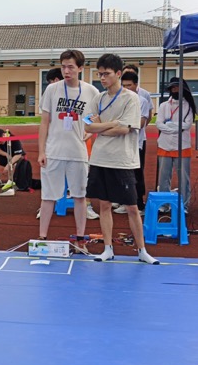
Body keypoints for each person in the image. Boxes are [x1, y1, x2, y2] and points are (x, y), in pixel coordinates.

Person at [84, 53, 159, 265]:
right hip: (100, 159)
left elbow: (124, 129)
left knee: (132, 207)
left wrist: (101, 126)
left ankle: (142, 250)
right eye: (100, 74)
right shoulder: (98, 98)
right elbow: (88, 126)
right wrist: (111, 124)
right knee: (104, 205)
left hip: (123, 160)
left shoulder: (131, 98)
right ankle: (108, 248)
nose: (102, 78)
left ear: (118, 73)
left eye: (106, 74)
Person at [37, 49, 100, 246]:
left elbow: (96, 117)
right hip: (54, 151)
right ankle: (42, 237)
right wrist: (41, 151)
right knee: (48, 196)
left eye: (71, 67)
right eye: (63, 67)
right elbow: (45, 122)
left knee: (80, 196)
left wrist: (88, 131)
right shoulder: (52, 90)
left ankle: (80, 238)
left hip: (78, 152)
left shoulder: (91, 91)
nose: (66, 71)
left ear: (80, 68)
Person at [155, 76, 196, 212]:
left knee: (184, 178)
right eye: (172, 87)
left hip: (182, 146)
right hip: (164, 146)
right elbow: (159, 124)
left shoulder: (188, 106)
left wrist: (169, 126)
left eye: (177, 87)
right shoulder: (163, 106)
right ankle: (164, 204)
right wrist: (175, 128)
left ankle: (183, 205)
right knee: (163, 178)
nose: (175, 90)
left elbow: (187, 125)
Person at [113, 71, 151, 214]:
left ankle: (139, 203)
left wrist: (121, 125)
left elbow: (140, 123)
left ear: (136, 85)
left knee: (136, 174)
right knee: (121, 172)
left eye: (129, 85)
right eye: (124, 85)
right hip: (120, 142)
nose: (126, 88)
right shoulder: (118, 99)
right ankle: (124, 200)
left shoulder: (142, 101)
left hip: (136, 143)